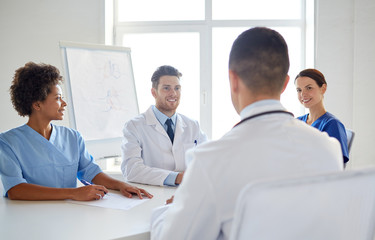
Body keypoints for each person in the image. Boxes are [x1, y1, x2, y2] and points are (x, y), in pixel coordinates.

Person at [150, 27, 343, 240]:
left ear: (233, 80)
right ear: (286, 83)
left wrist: (175, 207)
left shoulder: (211, 161)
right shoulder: (328, 148)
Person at [0, 62, 153, 201]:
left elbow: (91, 172)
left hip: (72, 216)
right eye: (58, 98)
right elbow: (16, 189)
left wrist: (120, 185)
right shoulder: (8, 142)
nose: (64, 103)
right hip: (29, 218)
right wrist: (73, 193)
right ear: (37, 105)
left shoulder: (72, 137)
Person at [121, 65, 207, 186]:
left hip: (187, 192)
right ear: (153, 92)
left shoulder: (193, 125)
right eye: (166, 88)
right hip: (153, 195)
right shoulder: (134, 126)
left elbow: (207, 159)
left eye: (177, 88)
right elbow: (131, 170)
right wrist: (176, 177)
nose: (173, 93)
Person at [295, 68, 349, 164]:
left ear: (323, 88)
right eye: (299, 90)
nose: (303, 94)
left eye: (309, 88)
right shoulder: (297, 122)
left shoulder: (332, 125)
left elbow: (337, 164)